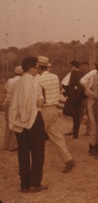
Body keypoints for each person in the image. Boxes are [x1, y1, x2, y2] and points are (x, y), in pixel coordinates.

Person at [8, 56, 47, 193]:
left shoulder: (16, 82)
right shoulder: (34, 82)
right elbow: (39, 102)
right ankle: (35, 183)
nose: (38, 70)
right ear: (31, 68)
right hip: (33, 119)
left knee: (23, 153)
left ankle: (24, 184)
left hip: (19, 122)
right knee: (37, 152)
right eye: (37, 67)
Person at [35, 56, 75, 173]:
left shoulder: (38, 80)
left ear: (38, 68)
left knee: (36, 138)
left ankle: (34, 167)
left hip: (43, 110)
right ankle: (68, 159)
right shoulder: (54, 77)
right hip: (53, 109)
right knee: (56, 136)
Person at [81, 59, 98, 155]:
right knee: (94, 124)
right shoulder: (95, 77)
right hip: (93, 102)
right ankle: (92, 146)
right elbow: (88, 90)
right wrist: (95, 96)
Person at [62, 60, 86, 139]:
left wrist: (70, 94)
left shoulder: (74, 73)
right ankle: (75, 134)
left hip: (74, 97)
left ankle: (75, 133)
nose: (70, 68)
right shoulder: (80, 73)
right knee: (76, 116)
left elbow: (75, 86)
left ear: (73, 66)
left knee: (66, 111)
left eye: (70, 66)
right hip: (78, 97)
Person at [3, 65, 23, 151]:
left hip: (8, 103)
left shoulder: (9, 81)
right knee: (16, 124)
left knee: (8, 124)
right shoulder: (22, 81)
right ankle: (13, 146)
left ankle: (5, 145)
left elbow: (6, 91)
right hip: (16, 103)